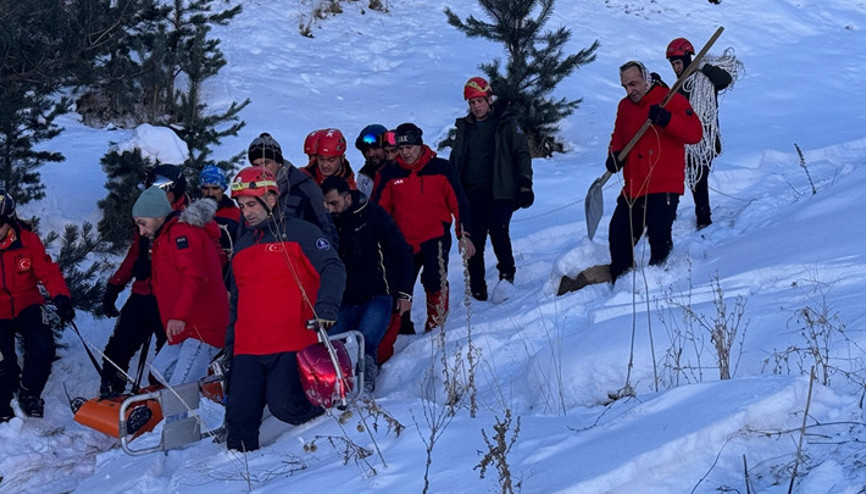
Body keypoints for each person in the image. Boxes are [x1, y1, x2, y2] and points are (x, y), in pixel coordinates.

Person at [224, 167, 346, 452]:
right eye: (242, 206)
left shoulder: (301, 232)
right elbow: (236, 303)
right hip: (247, 348)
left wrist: (326, 308)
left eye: (251, 204)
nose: (246, 212)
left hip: (291, 341)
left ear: (271, 198)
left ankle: (334, 412)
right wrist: (230, 347)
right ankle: (241, 471)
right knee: (238, 419)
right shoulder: (241, 247)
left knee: (285, 405)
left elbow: (333, 267)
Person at [604, 61, 702, 283]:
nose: (630, 90)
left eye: (634, 84)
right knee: (618, 233)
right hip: (634, 186)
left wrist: (668, 120)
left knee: (658, 234)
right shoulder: (624, 107)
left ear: (646, 78)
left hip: (664, 183)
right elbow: (618, 137)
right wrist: (614, 154)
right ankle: (622, 283)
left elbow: (695, 133)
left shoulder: (671, 99)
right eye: (625, 86)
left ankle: (661, 281)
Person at [375, 123, 475, 333]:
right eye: (401, 148)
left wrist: (464, 234)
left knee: (434, 279)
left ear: (420, 145)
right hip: (403, 242)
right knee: (400, 285)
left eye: (410, 147)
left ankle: (436, 327)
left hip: (435, 237)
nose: (406, 153)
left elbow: (459, 203)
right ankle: (402, 329)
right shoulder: (388, 174)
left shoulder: (441, 168)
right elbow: (378, 212)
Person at [99, 164, 189, 397]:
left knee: (167, 354)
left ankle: (160, 396)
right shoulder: (148, 211)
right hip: (143, 293)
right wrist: (115, 285)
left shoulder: (186, 222)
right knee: (119, 346)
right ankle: (112, 389)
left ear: (176, 192)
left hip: (170, 299)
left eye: (164, 191)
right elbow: (135, 253)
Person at [321, 176, 413, 389]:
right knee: (331, 345)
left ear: (347, 198)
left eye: (333, 203)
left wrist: (405, 293)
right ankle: (332, 390)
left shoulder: (373, 215)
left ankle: (364, 389)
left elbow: (403, 252)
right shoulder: (326, 222)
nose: (330, 209)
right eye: (325, 204)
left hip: (377, 295)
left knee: (366, 343)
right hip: (343, 299)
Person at [131, 186, 228, 387]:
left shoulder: (180, 234)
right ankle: (202, 393)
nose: (141, 231)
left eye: (143, 223)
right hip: (186, 327)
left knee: (180, 387)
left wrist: (178, 317)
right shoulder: (166, 236)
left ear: (158, 216)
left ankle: (195, 402)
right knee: (159, 372)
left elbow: (194, 276)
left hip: (202, 328)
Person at [449, 76, 534, 302]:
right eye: (472, 102)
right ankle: (477, 288)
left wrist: (525, 183)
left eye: (479, 101)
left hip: (501, 189)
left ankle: (507, 274)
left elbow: (522, 153)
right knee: (474, 238)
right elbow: (456, 159)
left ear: (489, 99)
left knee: (498, 228)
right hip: (472, 191)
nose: (476, 106)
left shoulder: (506, 122)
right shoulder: (465, 128)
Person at [0, 191, 74, 421]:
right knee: (3, 363)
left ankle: (30, 392)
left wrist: (61, 296)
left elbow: (48, 271)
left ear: (9, 222)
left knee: (43, 346)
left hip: (27, 302)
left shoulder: (27, 241)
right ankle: (5, 398)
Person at [666, 37, 734, 230]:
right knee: (677, 176)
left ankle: (704, 218)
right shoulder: (679, 87)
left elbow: (725, 80)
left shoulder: (705, 80)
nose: (676, 68)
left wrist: (704, 67)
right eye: (673, 65)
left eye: (678, 63)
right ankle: (669, 215)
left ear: (687, 59)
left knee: (699, 178)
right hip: (684, 140)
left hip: (705, 140)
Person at [247, 132, 339, 247]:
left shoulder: (305, 187)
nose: (262, 169)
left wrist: (326, 255)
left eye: (266, 163)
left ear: (279, 163)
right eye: (256, 165)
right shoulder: (251, 191)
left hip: (301, 254)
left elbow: (326, 229)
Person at [199, 164, 240, 266]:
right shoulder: (194, 214)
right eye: (205, 188)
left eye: (215, 188)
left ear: (223, 189)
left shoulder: (236, 214)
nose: (210, 193)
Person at [354, 124, 389, 198]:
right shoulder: (364, 177)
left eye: (375, 148)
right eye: (367, 150)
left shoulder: (400, 172)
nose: (371, 154)